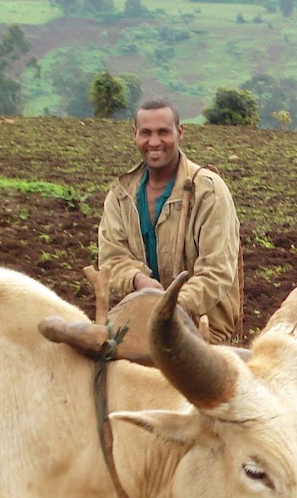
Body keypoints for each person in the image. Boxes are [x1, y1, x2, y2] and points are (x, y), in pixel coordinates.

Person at [98, 99, 242, 342]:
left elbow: (216, 272)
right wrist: (139, 281)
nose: (154, 142)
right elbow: (112, 260)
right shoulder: (120, 194)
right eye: (146, 133)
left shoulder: (208, 191)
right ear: (135, 135)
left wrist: (169, 307)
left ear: (180, 133)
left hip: (201, 330)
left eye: (163, 132)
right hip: (140, 327)